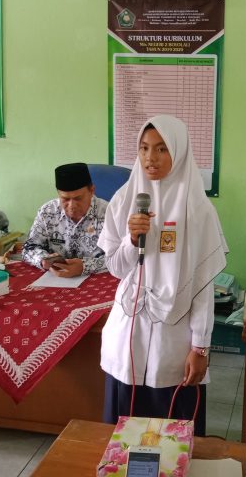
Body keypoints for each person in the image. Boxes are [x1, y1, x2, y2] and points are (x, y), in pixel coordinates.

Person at [98, 115, 227, 436]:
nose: (150, 158)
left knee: (171, 435)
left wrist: (200, 347)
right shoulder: (123, 201)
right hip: (127, 335)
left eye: (161, 149)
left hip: (174, 340)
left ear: (178, 151)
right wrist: (131, 241)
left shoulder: (198, 210)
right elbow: (116, 268)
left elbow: (203, 286)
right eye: (143, 148)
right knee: (124, 437)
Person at [22, 162, 108, 277]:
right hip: (55, 278)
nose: (72, 206)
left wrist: (85, 266)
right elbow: (28, 248)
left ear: (92, 190)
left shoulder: (109, 213)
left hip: (98, 280)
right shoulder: (47, 212)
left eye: (78, 198)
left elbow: (122, 257)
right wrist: (43, 259)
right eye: (65, 199)